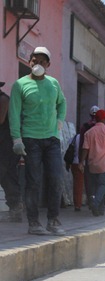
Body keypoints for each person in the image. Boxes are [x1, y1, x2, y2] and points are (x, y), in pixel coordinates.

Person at [9, 46, 67, 235]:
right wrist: (16, 138)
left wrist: (59, 121)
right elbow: (14, 113)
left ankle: (53, 220)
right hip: (30, 139)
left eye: (42, 61)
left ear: (48, 65)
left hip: (52, 139)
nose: (37, 64)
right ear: (30, 62)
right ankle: (34, 222)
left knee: (56, 179)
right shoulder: (20, 85)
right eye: (35, 60)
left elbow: (62, 102)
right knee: (33, 181)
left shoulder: (53, 84)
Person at [79, 109, 105, 217]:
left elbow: (85, 149)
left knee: (96, 187)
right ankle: (95, 203)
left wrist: (81, 161)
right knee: (103, 186)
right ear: (104, 119)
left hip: (92, 165)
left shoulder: (89, 133)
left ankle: (99, 210)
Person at [0, 80, 23, 222]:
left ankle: (16, 206)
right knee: (6, 176)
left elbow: (0, 120)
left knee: (7, 175)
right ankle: (15, 207)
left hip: (7, 146)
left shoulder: (3, 99)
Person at [80, 105, 99, 209]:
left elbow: (82, 144)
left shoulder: (85, 127)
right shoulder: (104, 128)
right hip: (101, 158)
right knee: (99, 181)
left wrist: (81, 160)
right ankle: (97, 201)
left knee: (89, 181)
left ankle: (91, 199)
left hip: (88, 158)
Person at [70, 134, 84, 211]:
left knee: (77, 185)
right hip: (84, 163)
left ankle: (77, 204)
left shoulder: (75, 137)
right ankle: (80, 203)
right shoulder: (86, 136)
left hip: (74, 162)